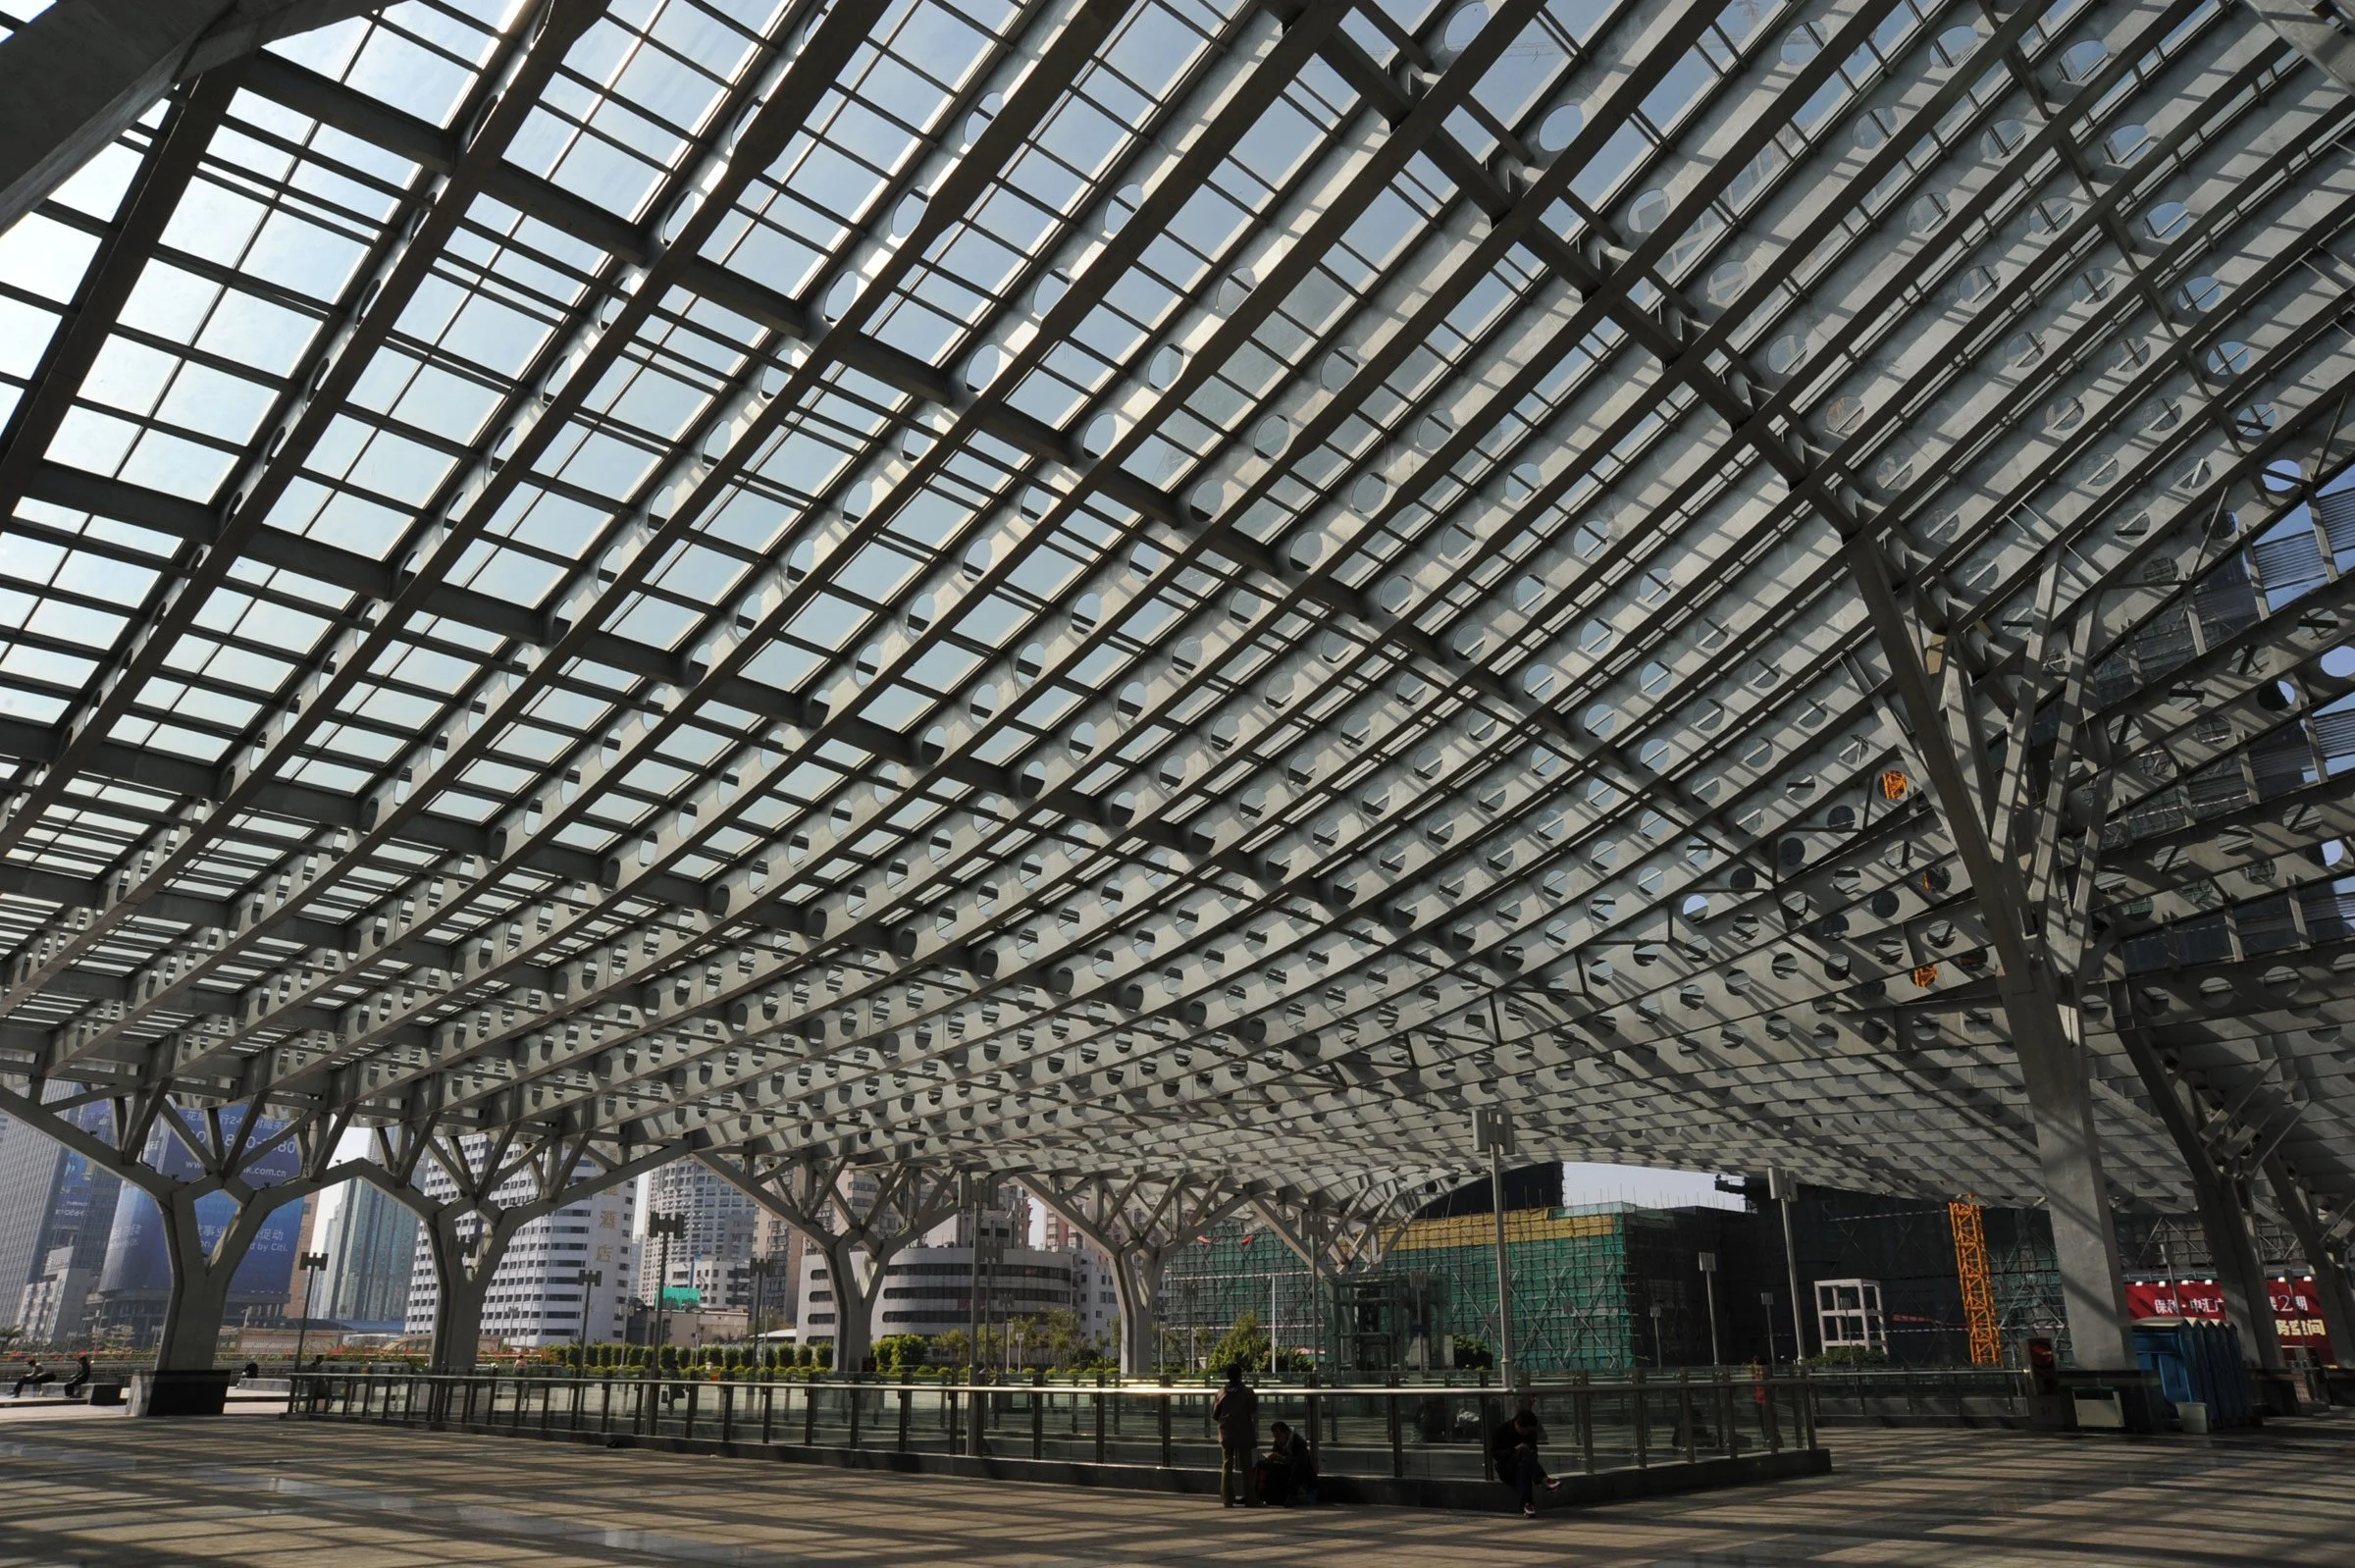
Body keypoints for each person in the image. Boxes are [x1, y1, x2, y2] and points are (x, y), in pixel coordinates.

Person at [1492, 1407, 1561, 1517]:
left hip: (1524, 1464)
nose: (1526, 1433)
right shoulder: (1502, 1430)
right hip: (1506, 1467)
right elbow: (1495, 1454)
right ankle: (1544, 1480)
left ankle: (1528, 1505)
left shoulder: (1530, 1433)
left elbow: (1534, 1451)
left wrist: (1531, 1453)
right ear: (1517, 1424)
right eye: (1524, 1431)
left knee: (1522, 1466)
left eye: (1528, 1431)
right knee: (1522, 1450)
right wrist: (1515, 1449)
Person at [1211, 1362, 1259, 1507]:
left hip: (1226, 1432)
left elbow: (1215, 1414)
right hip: (1244, 1431)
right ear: (1240, 1375)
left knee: (1227, 1465)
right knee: (1246, 1465)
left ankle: (1227, 1498)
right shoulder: (1248, 1392)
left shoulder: (1221, 1393)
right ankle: (1250, 1498)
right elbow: (1252, 1408)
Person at [1255, 1419, 1315, 1506]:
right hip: (1285, 1467)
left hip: (1298, 1471)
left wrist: (1282, 1458)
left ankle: (1291, 1495)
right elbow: (1275, 1452)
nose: (1277, 1439)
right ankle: (1256, 1493)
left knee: (1296, 1466)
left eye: (1279, 1436)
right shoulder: (1278, 1441)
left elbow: (1301, 1461)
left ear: (1286, 1432)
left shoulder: (1298, 1441)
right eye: (1275, 1437)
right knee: (1260, 1464)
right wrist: (1270, 1458)